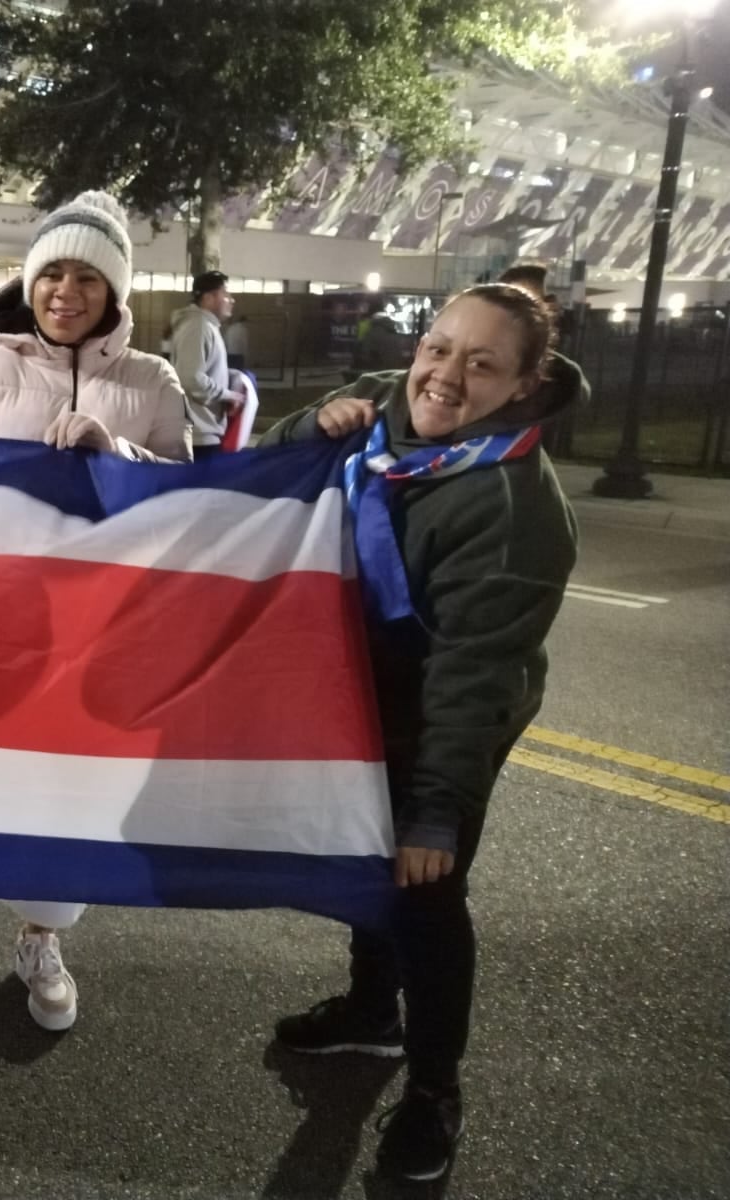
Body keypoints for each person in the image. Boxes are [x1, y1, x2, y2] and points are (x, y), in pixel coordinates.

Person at [262, 283, 584, 1183]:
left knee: (424, 888)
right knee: (371, 860)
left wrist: (437, 812)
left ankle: (435, 1091)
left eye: (482, 364)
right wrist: (310, 428)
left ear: (525, 384)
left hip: (447, 716)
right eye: (439, 347)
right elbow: (267, 471)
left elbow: (473, 676)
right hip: (361, 696)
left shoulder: (514, 507)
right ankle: (373, 1012)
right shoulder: (383, 405)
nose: (445, 375)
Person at [0, 190, 191, 1046]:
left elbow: (185, 502)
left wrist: (115, 454)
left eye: (86, 275)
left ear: (115, 291)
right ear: (29, 280)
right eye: (51, 271)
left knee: (70, 792)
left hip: (101, 634)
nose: (65, 290)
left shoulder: (152, 380)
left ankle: (41, 938)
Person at [168, 270, 237, 452]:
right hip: (199, 434)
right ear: (208, 298)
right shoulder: (198, 327)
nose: (231, 300)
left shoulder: (205, 326)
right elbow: (191, 378)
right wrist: (229, 395)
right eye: (226, 294)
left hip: (204, 431)